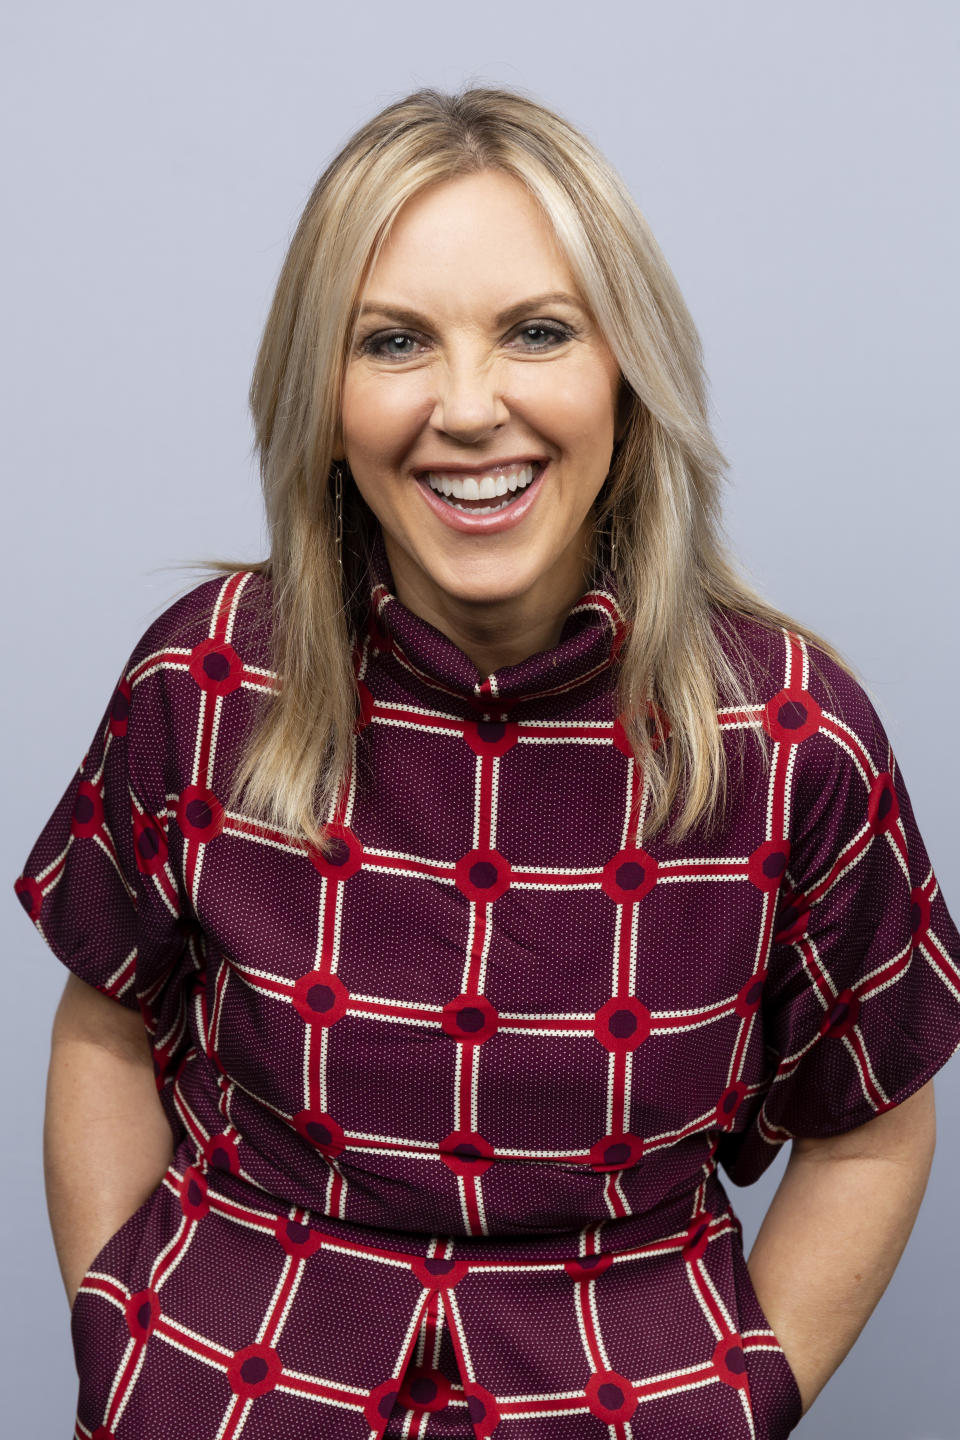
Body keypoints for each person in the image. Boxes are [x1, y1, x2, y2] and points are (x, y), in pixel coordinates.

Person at [15, 85, 960, 1440]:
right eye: (394, 340)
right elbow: (105, 1024)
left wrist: (742, 1397)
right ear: (321, 396)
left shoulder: (795, 737)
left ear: (628, 375)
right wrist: (127, 1339)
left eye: (537, 332)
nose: (469, 408)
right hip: (230, 1395)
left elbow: (873, 1118)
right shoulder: (205, 680)